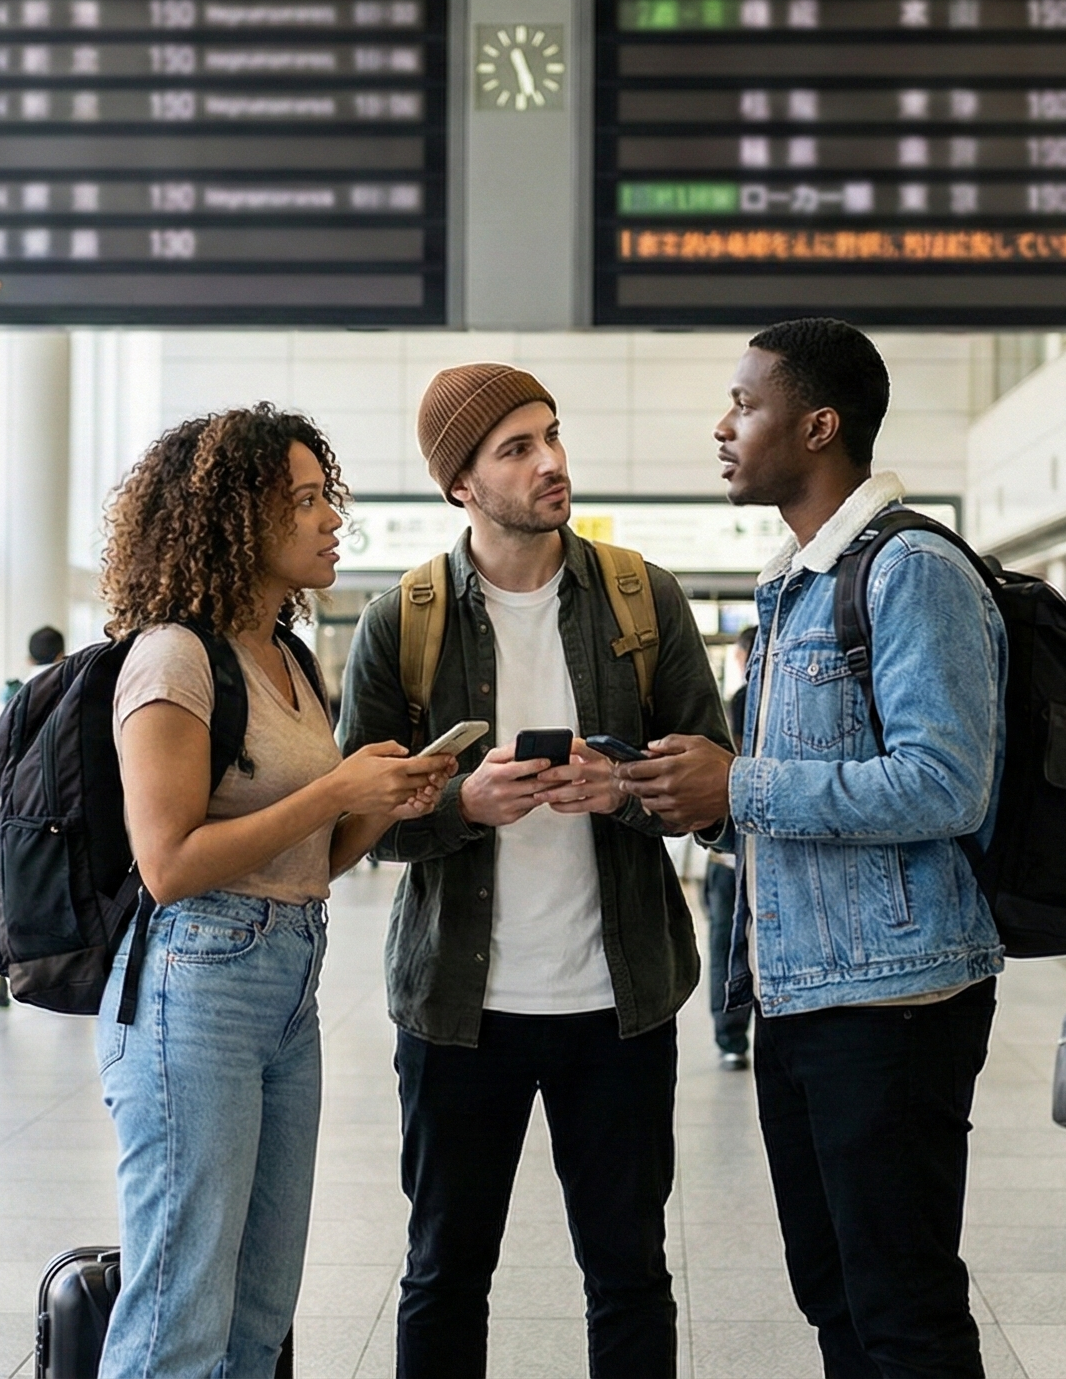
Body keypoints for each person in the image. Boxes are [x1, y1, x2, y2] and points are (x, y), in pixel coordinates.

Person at [617, 317, 1008, 1377]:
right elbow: (803, 791)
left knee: (902, 1306)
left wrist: (738, 780)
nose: (723, 425)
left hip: (896, 999)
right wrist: (702, 799)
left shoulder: (911, 570)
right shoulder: (791, 582)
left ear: (819, 425)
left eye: (745, 404)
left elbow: (944, 781)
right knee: (835, 1291)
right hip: (801, 990)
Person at [336, 363, 730, 1379]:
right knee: (443, 1276)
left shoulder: (642, 597)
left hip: (619, 1004)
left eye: (550, 434)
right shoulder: (404, 620)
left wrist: (628, 789)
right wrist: (461, 806)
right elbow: (355, 825)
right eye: (516, 447)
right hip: (457, 1011)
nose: (550, 461)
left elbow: (717, 788)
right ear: (460, 483)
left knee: (630, 1275)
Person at [95, 404, 452, 1379]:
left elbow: (307, 859)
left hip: (288, 973)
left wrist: (379, 802)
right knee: (181, 1303)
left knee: (259, 1304)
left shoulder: (289, 658)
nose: (330, 519)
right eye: (304, 501)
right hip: (194, 980)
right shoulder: (172, 656)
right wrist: (336, 789)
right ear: (232, 518)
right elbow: (167, 862)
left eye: (325, 496)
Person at [701, 625, 757, 1072]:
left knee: (726, 943)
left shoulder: (741, 700)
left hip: (731, 851)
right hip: (751, 846)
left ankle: (731, 1038)